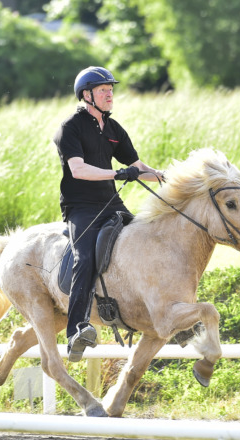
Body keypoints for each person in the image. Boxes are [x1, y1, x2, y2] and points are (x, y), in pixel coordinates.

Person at [53, 66, 163, 362]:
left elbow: (138, 167)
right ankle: (76, 329)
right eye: (103, 90)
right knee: (85, 257)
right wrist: (117, 173)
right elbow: (78, 169)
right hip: (81, 206)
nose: (110, 93)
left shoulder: (114, 129)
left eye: (111, 89)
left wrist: (174, 178)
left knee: (148, 242)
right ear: (87, 95)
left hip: (110, 203)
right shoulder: (70, 128)